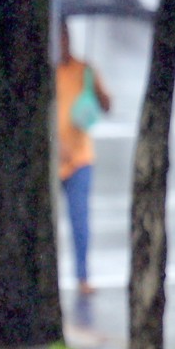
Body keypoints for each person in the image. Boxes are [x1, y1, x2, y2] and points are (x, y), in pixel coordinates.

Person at [56, 20, 112, 296]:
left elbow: (107, 105)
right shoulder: (47, 74)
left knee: (80, 220)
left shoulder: (83, 70)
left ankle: (83, 276)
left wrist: (95, 87)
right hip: (53, 159)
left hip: (80, 157)